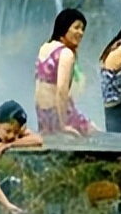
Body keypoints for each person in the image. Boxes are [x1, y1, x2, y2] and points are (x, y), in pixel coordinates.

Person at [32, 8, 96, 136]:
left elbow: (41, 83)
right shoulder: (66, 54)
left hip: (43, 112)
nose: (81, 32)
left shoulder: (45, 47)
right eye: (76, 27)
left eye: (83, 29)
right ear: (64, 27)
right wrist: (63, 125)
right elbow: (61, 90)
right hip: (59, 112)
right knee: (95, 133)